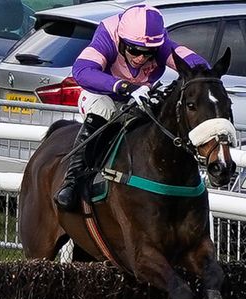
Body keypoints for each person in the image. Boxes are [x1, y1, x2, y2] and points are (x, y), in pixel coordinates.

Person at [54, 4, 209, 211]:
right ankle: (71, 181)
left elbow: (197, 64)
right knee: (104, 110)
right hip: (101, 92)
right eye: (135, 50)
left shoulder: (158, 41)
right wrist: (124, 86)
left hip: (139, 94)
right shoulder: (108, 36)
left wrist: (203, 76)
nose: (141, 58)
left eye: (149, 53)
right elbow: (82, 70)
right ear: (122, 41)